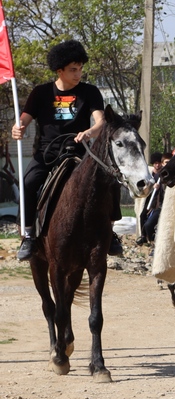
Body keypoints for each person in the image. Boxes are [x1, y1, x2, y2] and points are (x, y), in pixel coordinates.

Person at [11, 40, 105, 261]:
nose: (78, 74)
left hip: (79, 153)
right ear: (59, 70)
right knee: (28, 184)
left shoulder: (90, 92)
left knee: (106, 181)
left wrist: (90, 132)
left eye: (81, 69)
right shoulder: (40, 93)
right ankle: (28, 235)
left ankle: (110, 232)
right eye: (73, 69)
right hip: (47, 154)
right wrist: (18, 128)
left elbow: (101, 123)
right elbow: (23, 120)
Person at [137, 152, 170, 245]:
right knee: (142, 215)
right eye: (155, 163)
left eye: (159, 163)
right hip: (151, 198)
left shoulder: (163, 174)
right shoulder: (152, 175)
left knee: (151, 223)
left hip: (159, 202)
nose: (157, 165)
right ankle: (143, 236)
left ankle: (152, 240)